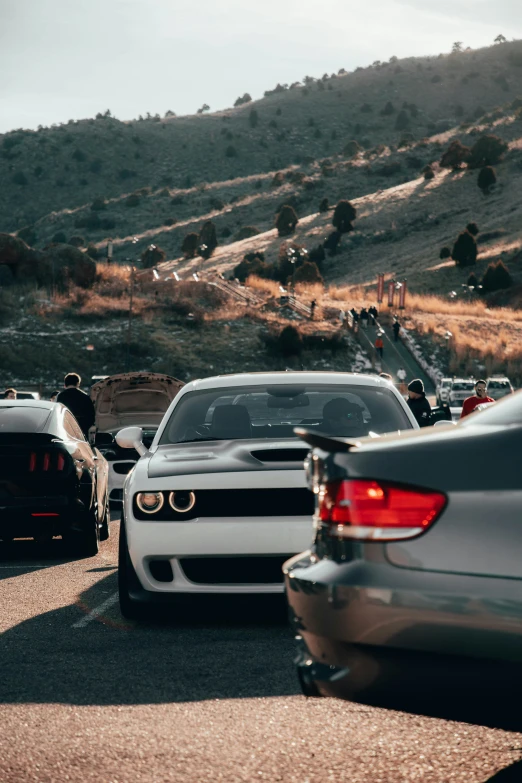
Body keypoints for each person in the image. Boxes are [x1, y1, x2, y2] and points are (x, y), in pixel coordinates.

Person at [56, 373, 96, 438]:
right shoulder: (85, 397)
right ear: (78, 383)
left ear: (65, 384)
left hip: (65, 430)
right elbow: (91, 416)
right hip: (82, 430)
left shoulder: (60, 396)